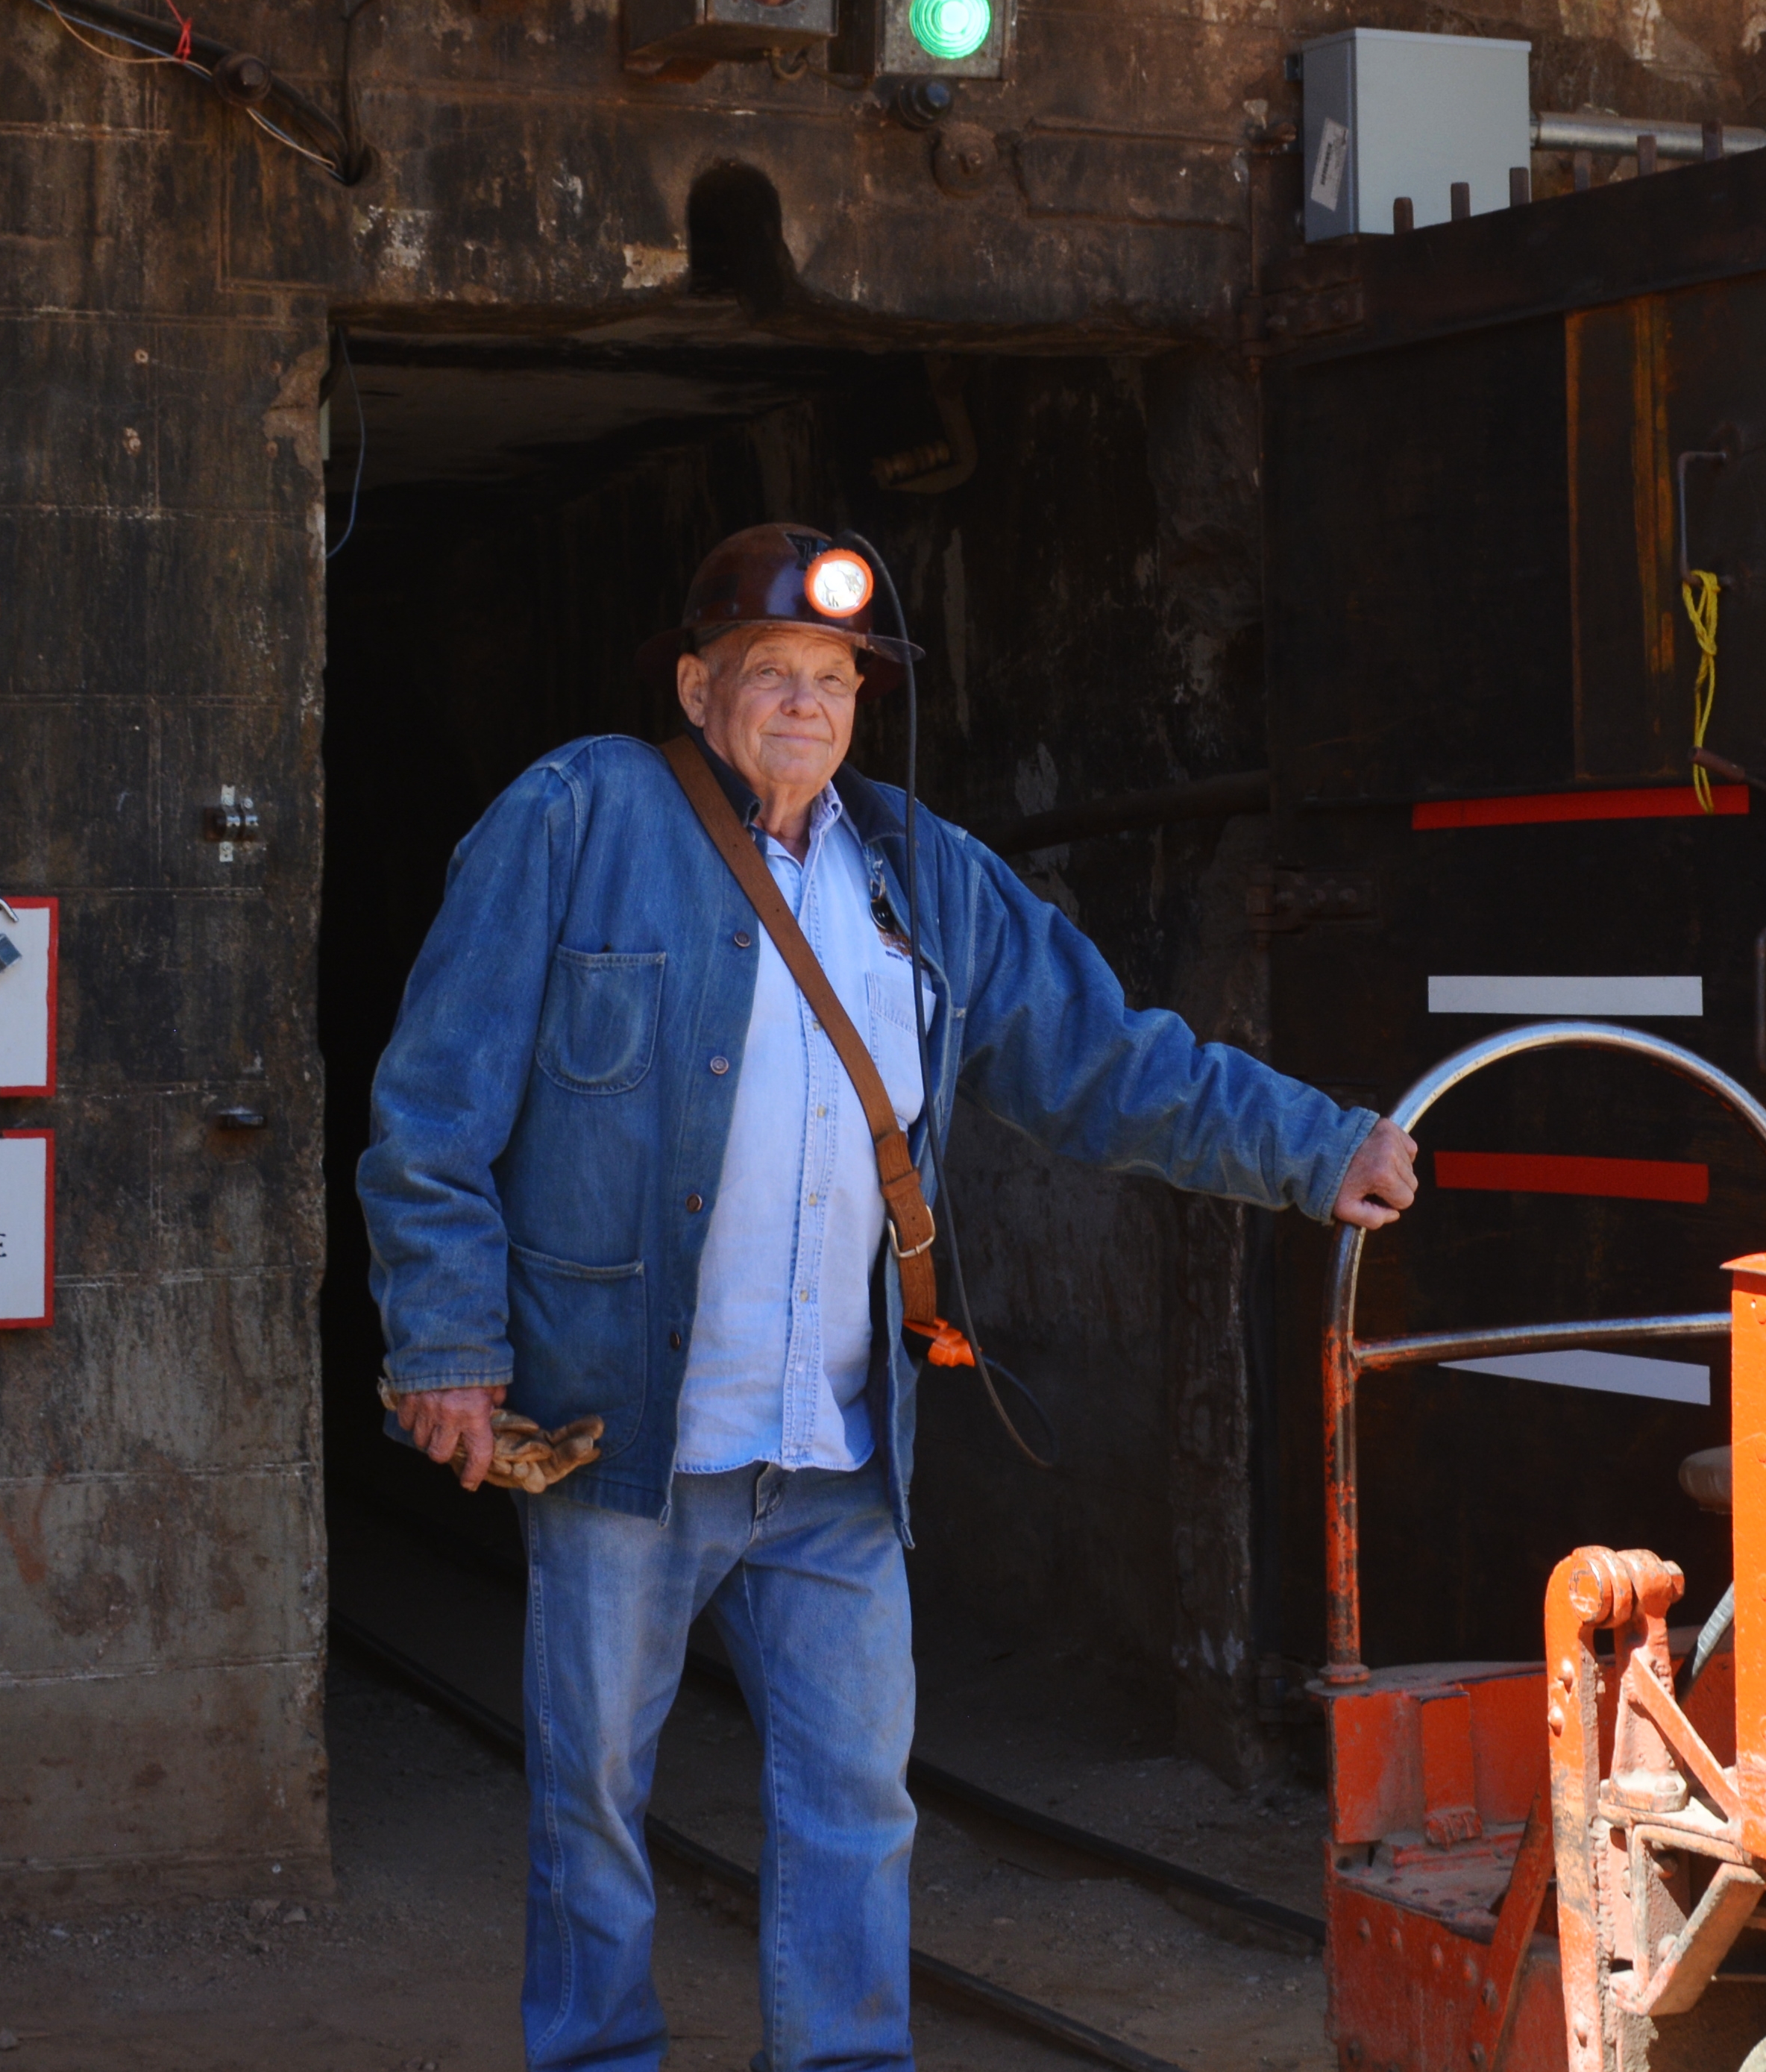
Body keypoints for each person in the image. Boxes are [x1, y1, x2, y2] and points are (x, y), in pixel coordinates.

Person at [360, 521, 1420, 2072]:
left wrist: (1315, 1148)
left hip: (837, 1446)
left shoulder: (923, 872)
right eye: (770, 672)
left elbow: (1106, 1061)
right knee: (591, 1795)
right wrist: (444, 1341)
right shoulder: (579, 813)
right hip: (625, 1436)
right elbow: (433, 1106)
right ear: (695, 685)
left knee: (857, 1797)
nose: (805, 702)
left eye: (835, 678)